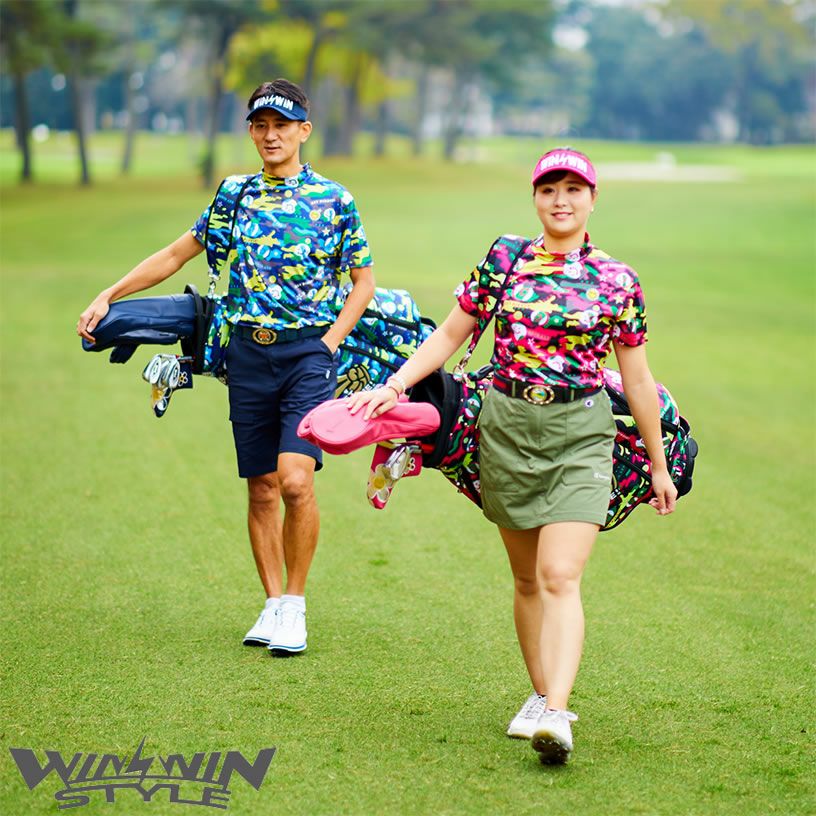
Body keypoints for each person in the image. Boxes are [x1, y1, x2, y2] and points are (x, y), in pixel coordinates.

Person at [348, 147, 676, 764]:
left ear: (593, 199)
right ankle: (541, 693)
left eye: (573, 189)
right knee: (526, 578)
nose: (561, 200)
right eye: (549, 189)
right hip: (504, 428)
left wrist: (658, 464)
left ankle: (556, 713)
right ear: (535, 198)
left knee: (559, 575)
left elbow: (636, 377)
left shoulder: (617, 280)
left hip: (581, 434)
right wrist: (395, 385)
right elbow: (452, 333)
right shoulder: (505, 258)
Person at [78, 79, 375, 656]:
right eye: (260, 125)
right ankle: (272, 603)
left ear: (304, 131)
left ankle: (296, 605)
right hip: (245, 355)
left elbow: (362, 282)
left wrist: (330, 344)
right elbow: (175, 254)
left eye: (282, 126)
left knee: (296, 480)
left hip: (308, 355)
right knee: (261, 488)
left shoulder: (334, 199)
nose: (270, 135)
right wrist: (109, 295)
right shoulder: (234, 195)